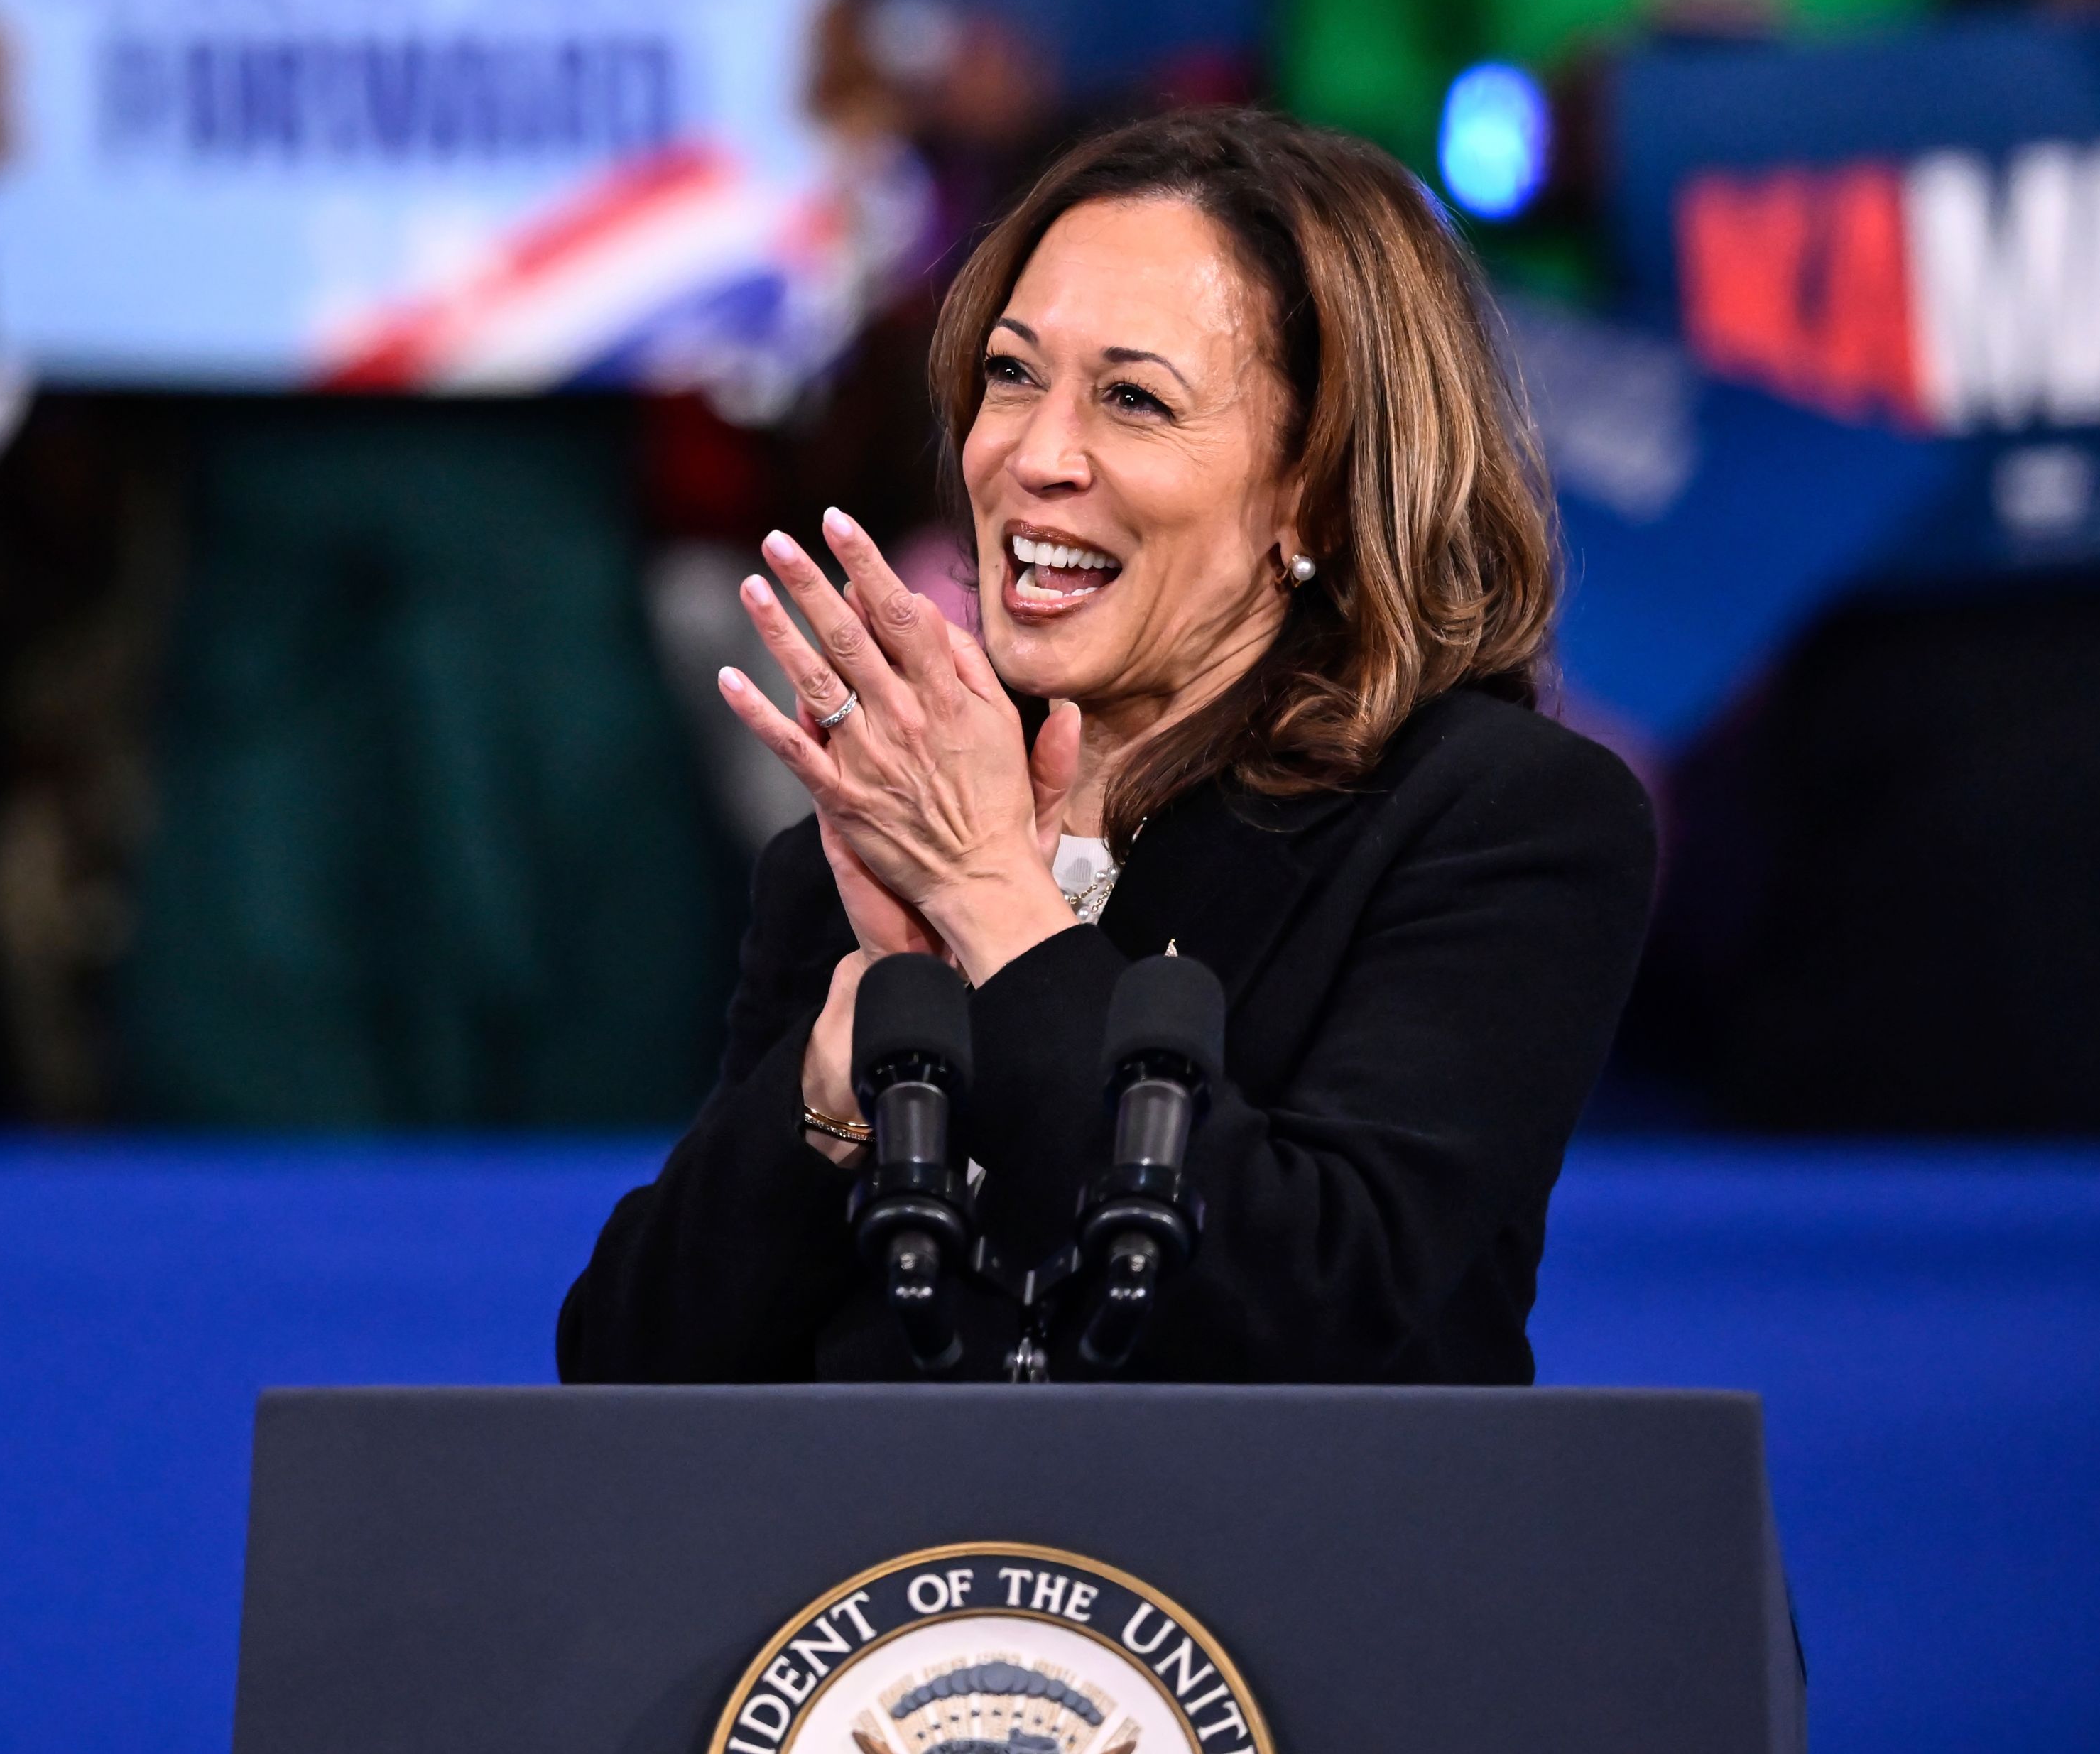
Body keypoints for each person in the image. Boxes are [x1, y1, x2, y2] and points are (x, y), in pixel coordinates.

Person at [557, 108, 1656, 1383]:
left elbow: (1325, 1302)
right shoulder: (866, 853)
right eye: (1013, 375)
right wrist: (827, 1103)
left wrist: (995, 906)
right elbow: (626, 1380)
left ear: (1318, 482)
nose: (1034, 455)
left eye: (1134, 400)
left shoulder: (1497, 819)